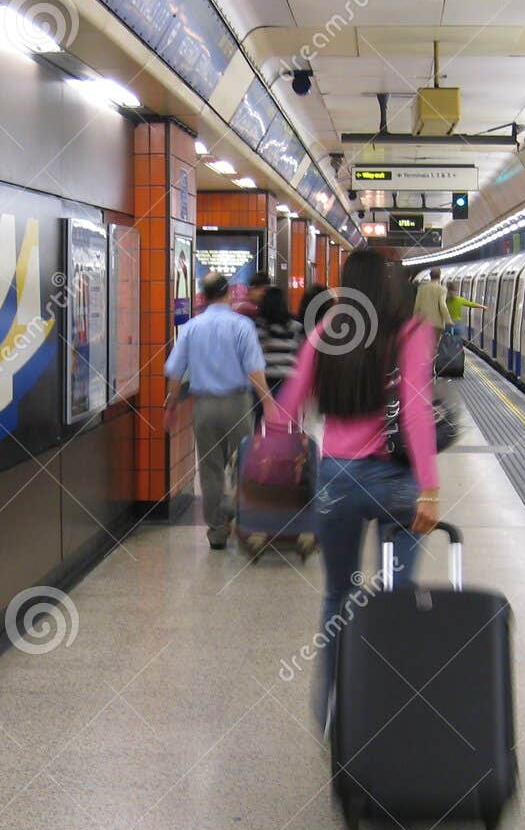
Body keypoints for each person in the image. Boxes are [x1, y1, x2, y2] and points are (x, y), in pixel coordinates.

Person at [276, 248, 440, 733]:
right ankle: (389, 716)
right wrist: (428, 487)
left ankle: (331, 715)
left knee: (337, 599)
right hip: (395, 485)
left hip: (338, 483)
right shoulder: (411, 334)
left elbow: (286, 410)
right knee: (396, 598)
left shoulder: (327, 333)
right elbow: (414, 412)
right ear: (392, 287)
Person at [165, 274, 276, 549]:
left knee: (210, 468)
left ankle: (217, 531)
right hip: (237, 404)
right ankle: (243, 520)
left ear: (203, 296)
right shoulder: (241, 326)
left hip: (203, 406)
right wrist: (269, 401)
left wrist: (171, 407)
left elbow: (175, 371)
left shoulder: (191, 327)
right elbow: (254, 369)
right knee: (244, 464)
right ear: (228, 294)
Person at [255, 283, 304, 398]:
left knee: (262, 413)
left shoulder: (259, 327)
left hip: (264, 381)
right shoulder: (295, 327)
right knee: (286, 415)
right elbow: (300, 353)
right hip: (289, 381)